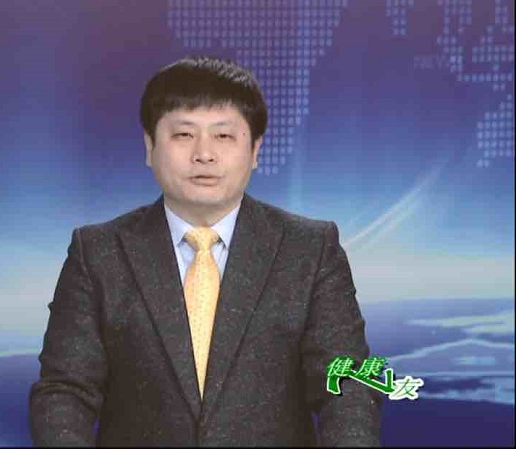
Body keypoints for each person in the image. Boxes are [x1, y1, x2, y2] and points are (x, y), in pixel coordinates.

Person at [29, 56, 382, 446]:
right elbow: (65, 391)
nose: (204, 154)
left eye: (223, 136)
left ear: (255, 149)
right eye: (184, 134)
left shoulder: (310, 250)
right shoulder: (98, 253)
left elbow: (347, 384)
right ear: (149, 146)